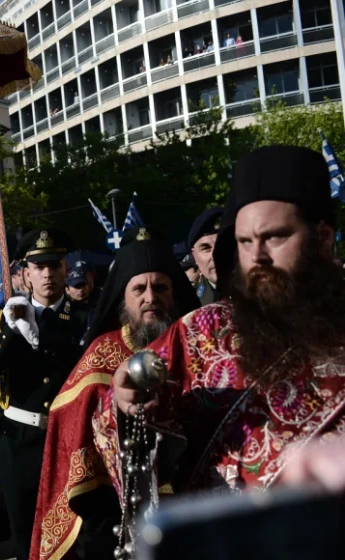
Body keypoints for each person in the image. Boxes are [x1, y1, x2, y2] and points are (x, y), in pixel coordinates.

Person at [106, 145, 345, 502]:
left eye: (275, 237)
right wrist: (127, 404)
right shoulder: (201, 332)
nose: (257, 256)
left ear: (323, 237)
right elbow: (125, 427)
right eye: (244, 242)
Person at [30, 227, 200, 560]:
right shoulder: (100, 355)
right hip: (113, 515)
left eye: (160, 288)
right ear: (123, 297)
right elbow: (71, 441)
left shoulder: (196, 347)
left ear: (174, 294)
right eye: (139, 288)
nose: (150, 298)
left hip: (191, 506)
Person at [0, 228, 86, 560]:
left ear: (65, 269)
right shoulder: (6, 318)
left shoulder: (82, 318)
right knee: (27, 542)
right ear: (25, 275)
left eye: (54, 265)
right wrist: (9, 332)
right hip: (18, 444)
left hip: (69, 440)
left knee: (75, 538)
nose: (47, 274)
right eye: (39, 267)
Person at [189, 206, 223, 304]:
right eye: (206, 248)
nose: (215, 256)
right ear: (194, 256)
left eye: (222, 245)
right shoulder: (188, 303)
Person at [64, 259, 100, 345]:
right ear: (67, 290)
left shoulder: (98, 306)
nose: (80, 290)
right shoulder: (62, 308)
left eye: (83, 285)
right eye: (76, 286)